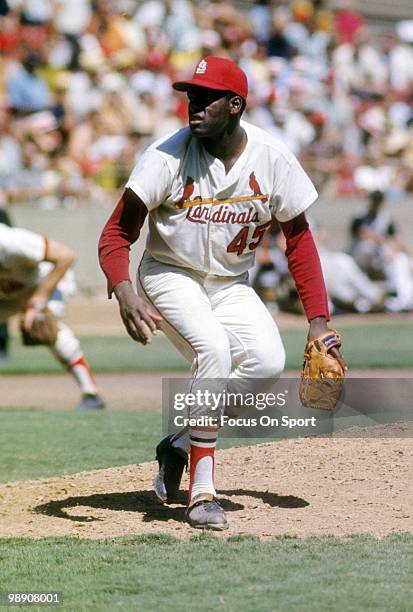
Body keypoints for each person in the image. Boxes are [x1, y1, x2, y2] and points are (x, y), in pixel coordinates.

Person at [99, 56, 345, 530]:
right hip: (170, 274)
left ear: (235, 105)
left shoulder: (271, 157)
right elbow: (115, 234)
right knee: (211, 350)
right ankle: (202, 492)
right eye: (191, 95)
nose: (194, 105)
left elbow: (298, 238)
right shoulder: (166, 156)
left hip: (231, 283)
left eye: (206, 97)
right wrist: (124, 290)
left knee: (266, 364)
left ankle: (178, 446)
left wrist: (318, 319)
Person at [0, 221, 105, 409]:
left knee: (46, 325)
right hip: (13, 292)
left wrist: (39, 300)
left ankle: (91, 393)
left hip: (48, 282)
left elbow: (66, 256)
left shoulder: (11, 242)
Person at [350, 190, 413, 312]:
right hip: (360, 256)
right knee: (369, 245)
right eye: (375, 200)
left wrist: (408, 256)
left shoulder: (385, 217)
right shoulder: (360, 215)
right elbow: (365, 234)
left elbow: (396, 238)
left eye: (379, 201)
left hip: (379, 258)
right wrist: (386, 246)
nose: (376, 203)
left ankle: (405, 300)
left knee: (400, 259)